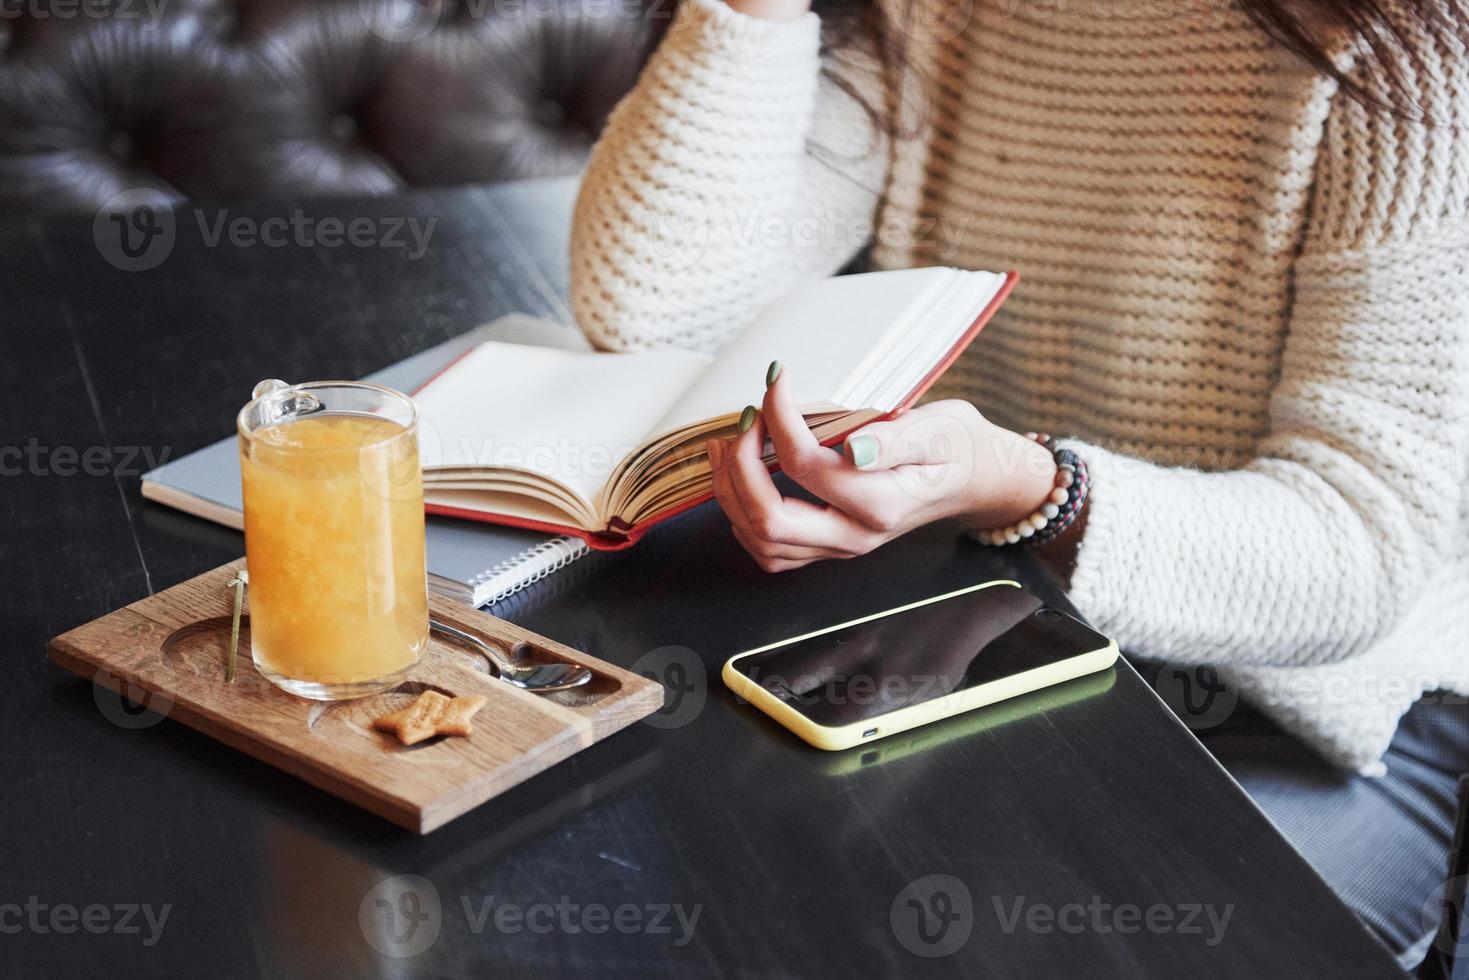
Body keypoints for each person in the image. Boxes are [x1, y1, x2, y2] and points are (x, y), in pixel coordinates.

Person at [569, 0, 1469, 964]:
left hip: (1319, 708)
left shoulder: (1402, 60)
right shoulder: (931, 13)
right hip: (994, 628)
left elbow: (1357, 547)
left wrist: (1029, 487)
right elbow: (653, 307)